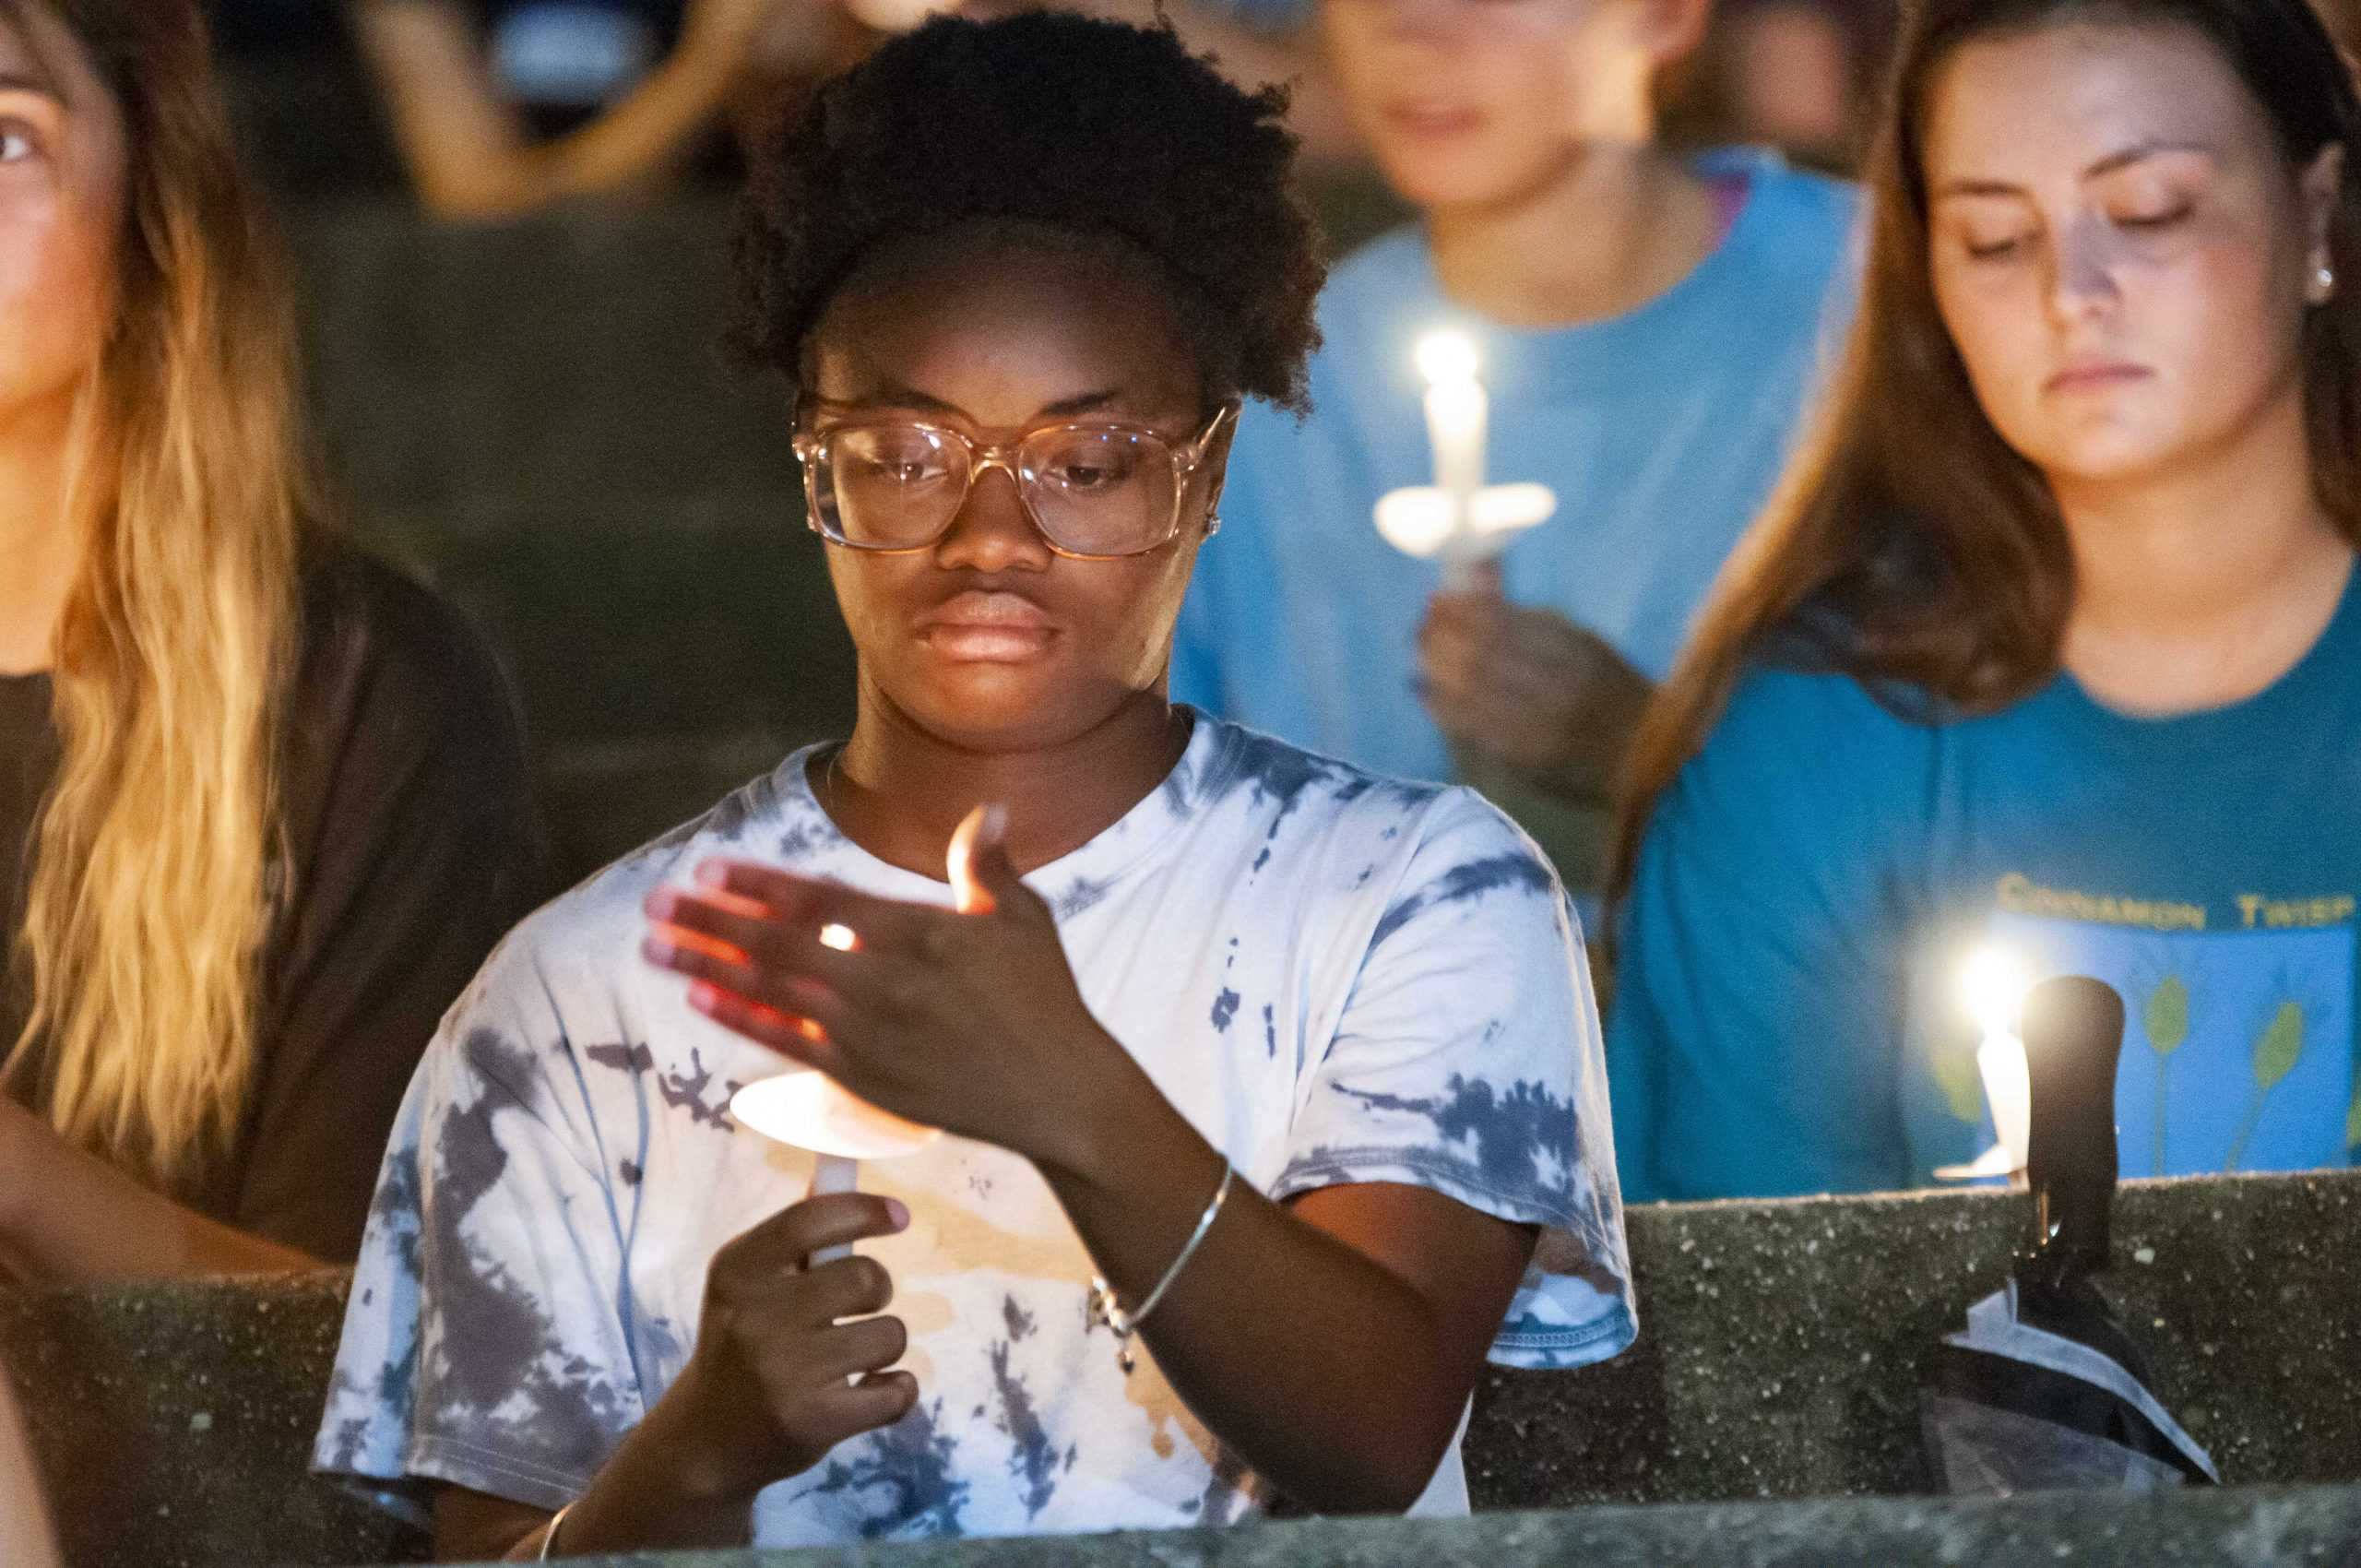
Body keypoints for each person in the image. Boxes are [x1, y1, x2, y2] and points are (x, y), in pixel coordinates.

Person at [314, 14, 1631, 1555]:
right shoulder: (577, 993)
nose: (991, 537)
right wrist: (690, 1461)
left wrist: (1065, 1092)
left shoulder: (1412, 896)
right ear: (816, 468)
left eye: (1088, 463)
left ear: (1201, 479)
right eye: (907, 451)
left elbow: (1375, 1431)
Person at [1607, 0, 2361, 1202]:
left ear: (2319, 210)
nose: (2076, 289)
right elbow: (1748, 1324)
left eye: (2150, 211)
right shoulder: (1818, 746)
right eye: (1997, 239)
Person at [0, 0, 544, 1277]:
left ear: (152, 198)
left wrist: (20, 1179)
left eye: (3, 141)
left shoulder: (358, 698)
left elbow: (374, 1350)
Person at [1170, 0, 1858, 899]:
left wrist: (1653, 754)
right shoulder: (1259, 397)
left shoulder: (1882, 303)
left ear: (1666, 14)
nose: (1414, 28)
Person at [349, 0, 845, 218]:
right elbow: (478, 206)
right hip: (490, 328)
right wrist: (714, 64)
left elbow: (816, 188)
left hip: (701, 303)